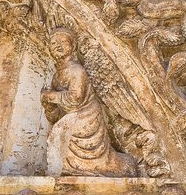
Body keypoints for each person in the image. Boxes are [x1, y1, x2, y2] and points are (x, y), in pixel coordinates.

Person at [42, 28, 136, 177]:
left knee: (60, 129)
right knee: (56, 129)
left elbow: (75, 99)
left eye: (63, 42)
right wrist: (48, 105)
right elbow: (56, 116)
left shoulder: (77, 70)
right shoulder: (56, 77)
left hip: (86, 116)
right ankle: (69, 167)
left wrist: (51, 96)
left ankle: (83, 167)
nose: (58, 46)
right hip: (72, 117)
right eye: (53, 43)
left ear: (73, 46)